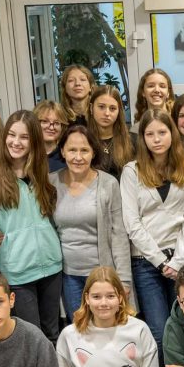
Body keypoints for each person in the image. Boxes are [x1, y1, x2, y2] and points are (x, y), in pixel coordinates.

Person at [121, 108, 184, 367]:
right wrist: (159, 261)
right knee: (157, 327)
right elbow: (132, 223)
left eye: (162, 132)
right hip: (146, 261)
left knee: (182, 324)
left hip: (181, 258)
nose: (156, 139)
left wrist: (178, 261)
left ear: (172, 134)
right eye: (150, 133)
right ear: (143, 137)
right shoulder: (132, 171)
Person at [0, 111, 64, 340]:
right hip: (17, 271)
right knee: (30, 338)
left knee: (53, 333)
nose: (16, 142)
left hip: (51, 264)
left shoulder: (40, 169)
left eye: (24, 137)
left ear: (33, 140)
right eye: (11, 135)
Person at [49, 123, 132, 317]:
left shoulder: (108, 183)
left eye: (84, 150)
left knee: (107, 329)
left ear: (93, 152)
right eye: (72, 150)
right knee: (79, 330)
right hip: (68, 276)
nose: (78, 157)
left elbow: (119, 234)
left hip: (103, 275)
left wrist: (124, 280)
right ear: (62, 151)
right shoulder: (50, 182)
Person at [87, 84, 133, 177]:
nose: (107, 113)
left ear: (119, 111)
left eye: (112, 108)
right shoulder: (83, 140)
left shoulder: (132, 141)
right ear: (91, 108)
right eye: (101, 107)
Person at [33, 100, 69, 173]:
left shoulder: (67, 157)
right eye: (45, 121)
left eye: (56, 123)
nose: (51, 128)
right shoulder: (27, 156)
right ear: (34, 123)